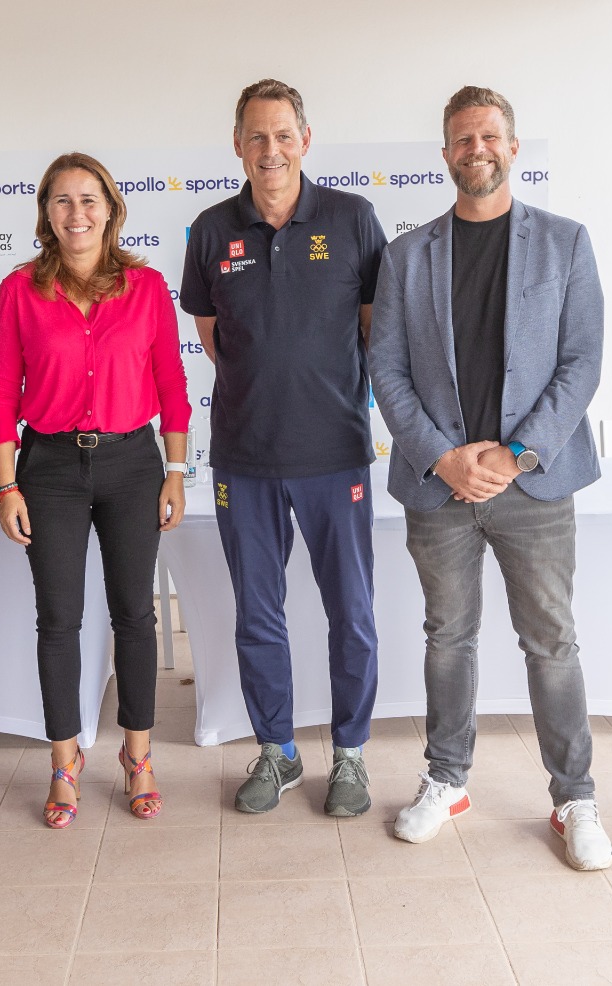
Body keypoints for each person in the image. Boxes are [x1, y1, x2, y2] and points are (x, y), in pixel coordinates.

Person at [367, 86, 612, 867]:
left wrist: (516, 453)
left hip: (533, 484)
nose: (476, 149)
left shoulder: (565, 243)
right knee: (447, 637)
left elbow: (581, 362)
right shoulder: (407, 257)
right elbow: (386, 369)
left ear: (512, 147)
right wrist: (443, 457)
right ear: (446, 154)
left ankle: (574, 797)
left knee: (552, 641)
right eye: (463, 139)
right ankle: (447, 779)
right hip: (440, 488)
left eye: (489, 137)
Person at [181, 79, 387, 817]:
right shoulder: (211, 230)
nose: (271, 150)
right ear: (238, 145)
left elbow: (374, 329)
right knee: (258, 616)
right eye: (257, 137)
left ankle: (351, 755)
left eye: (283, 135)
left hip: (336, 454)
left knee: (351, 614)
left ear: (305, 139)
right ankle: (278, 751)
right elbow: (213, 338)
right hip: (245, 458)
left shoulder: (352, 218)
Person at [0, 152, 191, 829]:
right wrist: (7, 485)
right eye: (62, 200)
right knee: (58, 619)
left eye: (88, 199)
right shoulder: (19, 290)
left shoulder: (147, 287)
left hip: (133, 464)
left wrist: (175, 471)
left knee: (134, 615)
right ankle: (64, 760)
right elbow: (0, 391)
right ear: (46, 213)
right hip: (48, 469)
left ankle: (138, 756)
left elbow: (172, 383)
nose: (76, 213)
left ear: (110, 210)